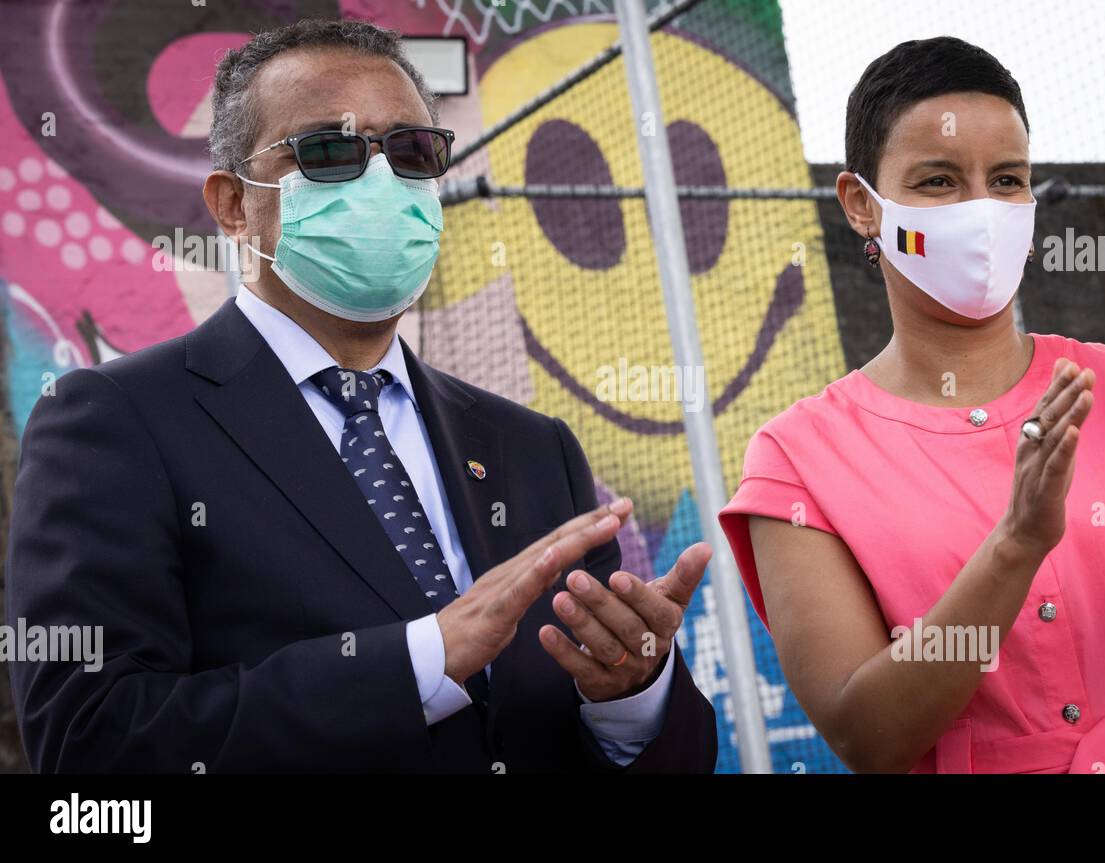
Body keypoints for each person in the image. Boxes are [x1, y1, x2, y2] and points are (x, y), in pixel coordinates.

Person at [6, 19, 717, 773]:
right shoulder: (116, 423)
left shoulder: (534, 448)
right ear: (232, 204)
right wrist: (423, 659)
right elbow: (90, 742)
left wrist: (632, 696)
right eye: (328, 150)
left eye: (411, 151)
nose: (382, 182)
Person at [719, 36, 1105, 774]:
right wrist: (1016, 544)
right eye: (937, 181)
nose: (981, 211)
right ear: (863, 205)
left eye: (1007, 179)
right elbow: (868, 736)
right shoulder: (799, 458)